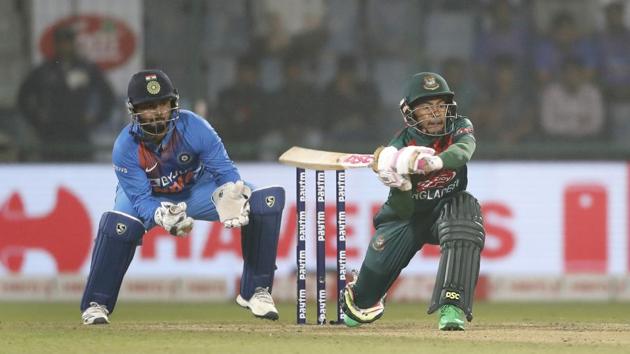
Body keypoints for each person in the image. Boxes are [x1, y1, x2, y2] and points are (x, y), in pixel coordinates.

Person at [80, 69, 285, 324]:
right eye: (148, 106)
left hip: (196, 191)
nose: (157, 112)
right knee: (119, 225)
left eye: (162, 103)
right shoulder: (125, 146)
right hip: (150, 196)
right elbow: (140, 199)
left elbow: (224, 170)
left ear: (172, 103)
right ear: (134, 110)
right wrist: (159, 214)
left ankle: (255, 291)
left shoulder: (195, 127)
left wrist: (230, 193)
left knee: (263, 202)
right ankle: (96, 303)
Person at [340, 72, 485, 331]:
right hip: (405, 217)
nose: (435, 113)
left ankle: (451, 306)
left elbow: (463, 152)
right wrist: (401, 185)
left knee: (465, 213)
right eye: (426, 107)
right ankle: (365, 292)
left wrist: (435, 161)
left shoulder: (460, 126)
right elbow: (404, 210)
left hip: (445, 210)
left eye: (440, 105)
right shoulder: (399, 146)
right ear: (411, 112)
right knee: (356, 312)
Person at [17, 25, 114, 161]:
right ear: (56, 44)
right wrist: (37, 120)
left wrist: (95, 119)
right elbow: (23, 97)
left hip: (79, 132)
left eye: (68, 42)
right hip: (51, 133)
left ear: (73, 43)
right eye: (61, 42)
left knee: (81, 174)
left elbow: (107, 96)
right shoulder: (44, 70)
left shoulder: (86, 68)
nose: (65, 46)